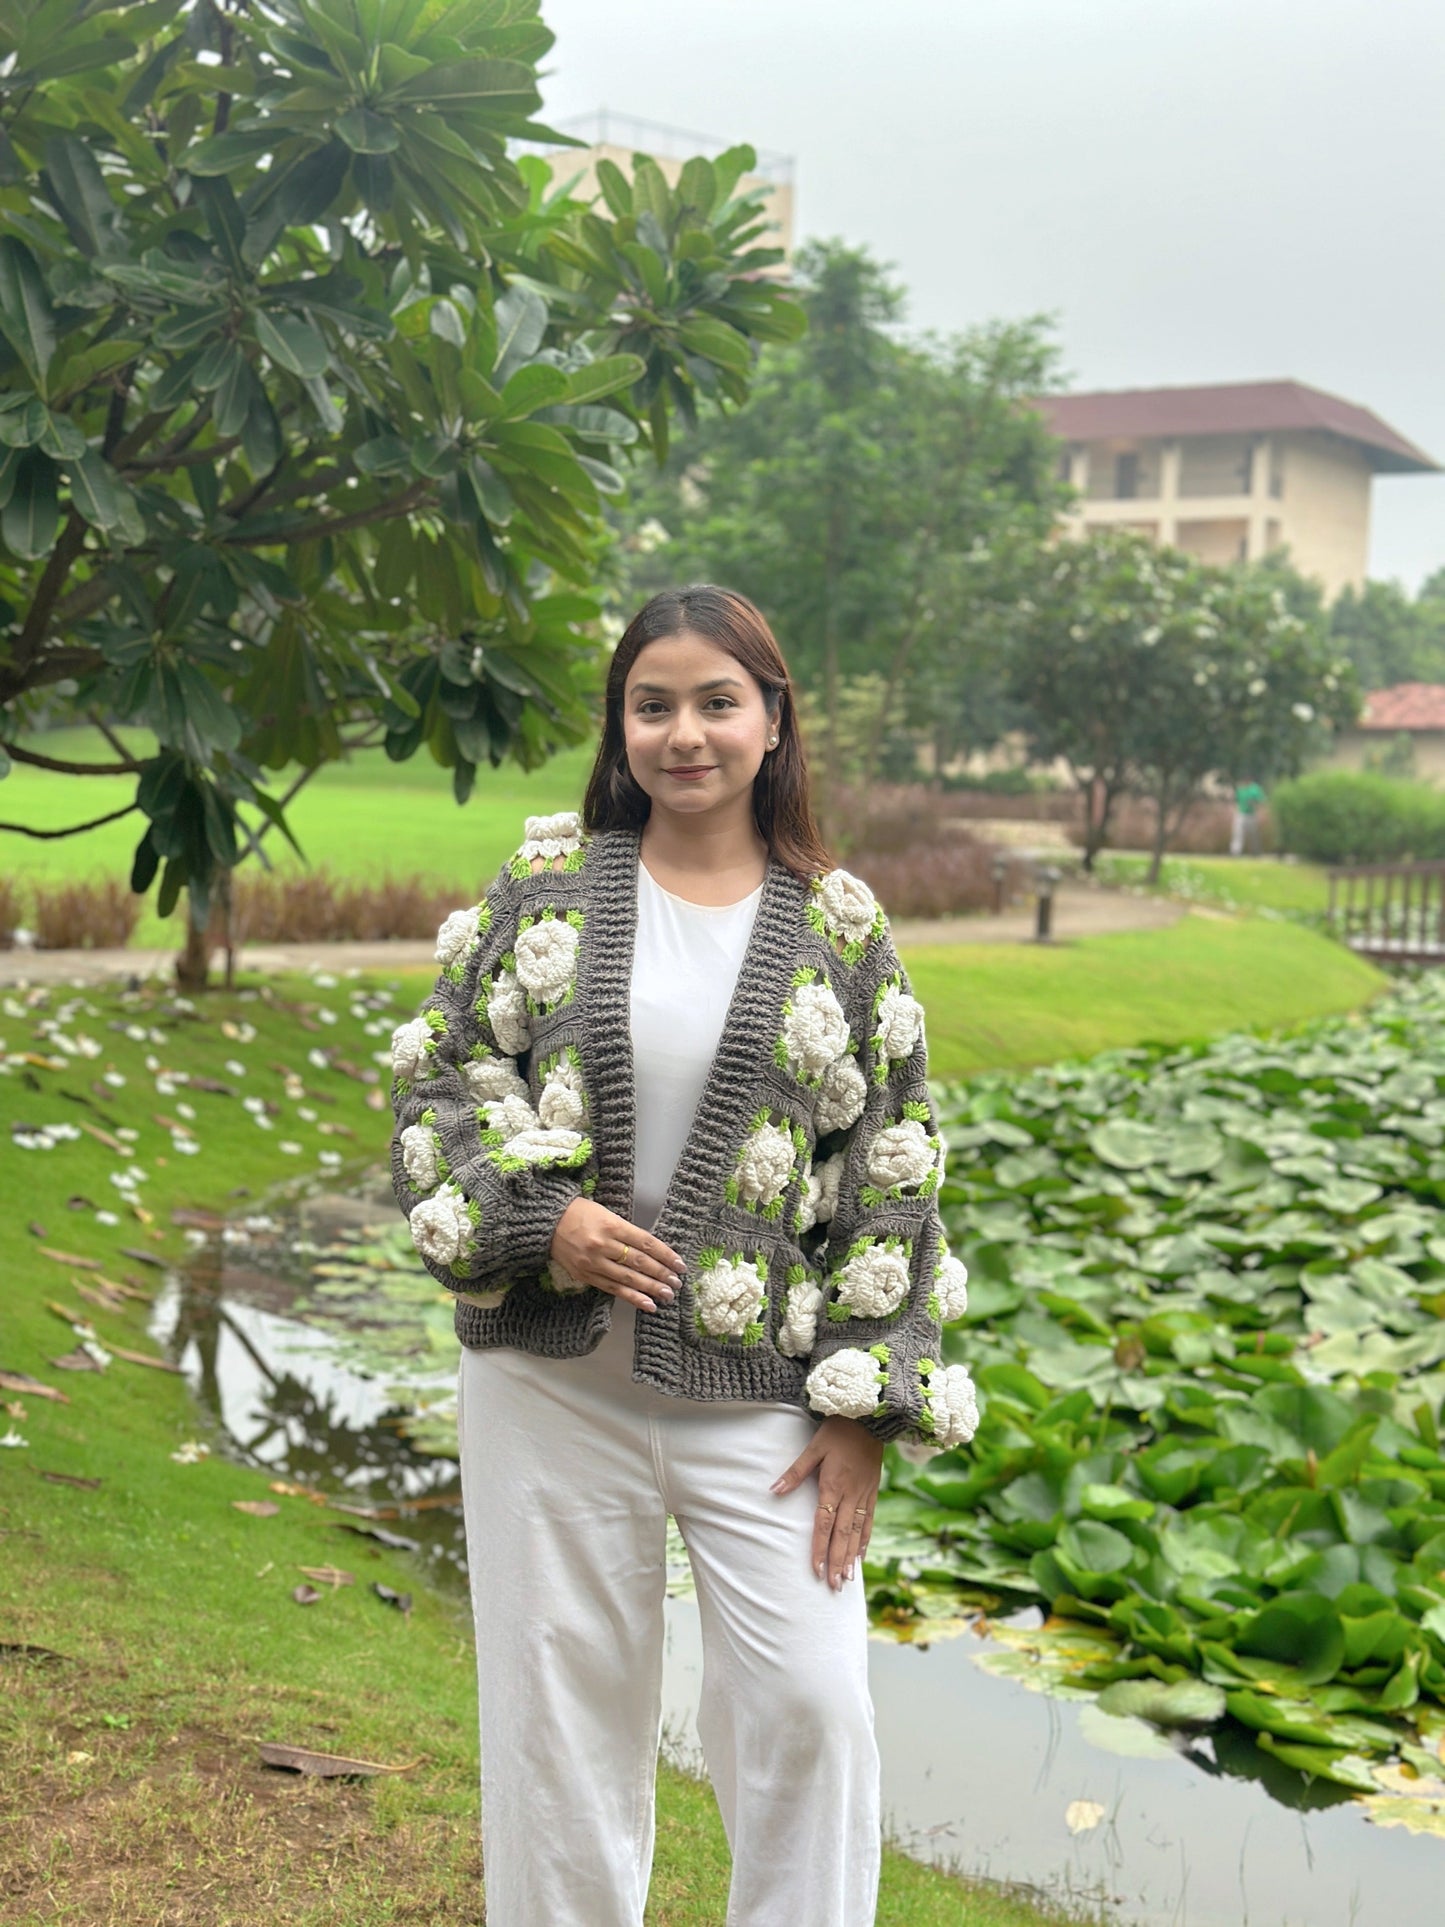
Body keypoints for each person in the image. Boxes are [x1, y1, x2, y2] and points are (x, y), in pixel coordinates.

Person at [388, 584, 978, 1926]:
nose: (685, 732)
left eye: (718, 700)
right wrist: (546, 1221)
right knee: (559, 1727)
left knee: (811, 1706)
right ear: (620, 725)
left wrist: (864, 1411)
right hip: (551, 1385)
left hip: (760, 1405)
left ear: (772, 718)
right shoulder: (542, 887)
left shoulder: (839, 923)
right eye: (652, 704)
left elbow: (895, 1165)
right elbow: (441, 1086)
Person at [1230, 777, 1266, 856]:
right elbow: (1236, 800)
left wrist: (1254, 803)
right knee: (1238, 834)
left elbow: (1261, 800)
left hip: (1251, 814)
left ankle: (1256, 852)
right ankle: (1235, 852)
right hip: (1241, 814)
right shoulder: (1240, 789)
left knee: (1254, 835)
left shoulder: (1255, 789)